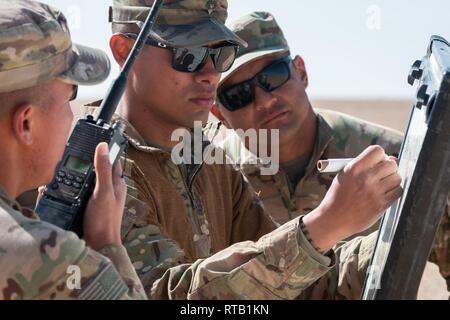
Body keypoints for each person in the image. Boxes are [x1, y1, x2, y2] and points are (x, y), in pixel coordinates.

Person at [81, 0, 402, 299]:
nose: (209, 75)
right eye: (188, 55)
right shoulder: (96, 166)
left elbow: (293, 283)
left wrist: (398, 237)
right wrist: (326, 224)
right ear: (125, 51)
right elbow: (166, 293)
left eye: (220, 54)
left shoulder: (208, 161)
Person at [211, 11, 450, 293]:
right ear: (219, 114)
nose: (264, 100)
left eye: (273, 76)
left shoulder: (394, 159)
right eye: (238, 95)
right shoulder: (212, 180)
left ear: (300, 71)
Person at [0, 0, 146, 300]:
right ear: (25, 123)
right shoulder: (50, 259)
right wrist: (106, 240)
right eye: (70, 96)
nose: (71, 116)